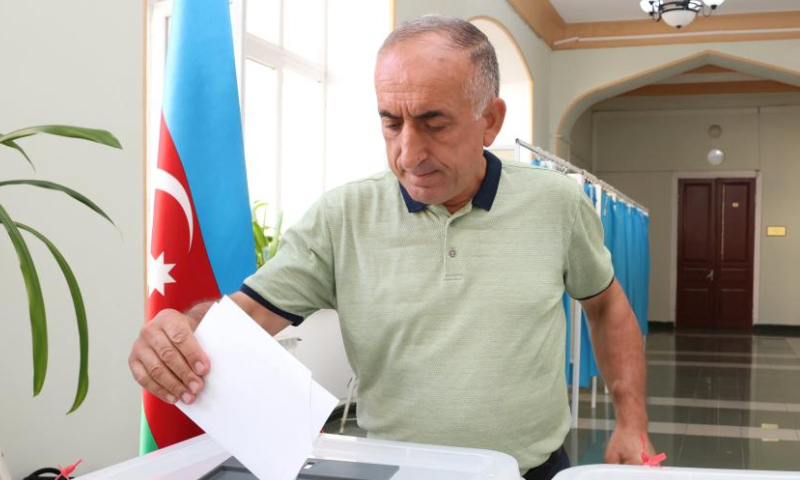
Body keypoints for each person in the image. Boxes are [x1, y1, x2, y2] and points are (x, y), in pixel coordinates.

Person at [129, 15, 654, 480]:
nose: (408, 153)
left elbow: (605, 305)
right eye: (391, 121)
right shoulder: (342, 218)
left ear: (490, 119)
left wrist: (631, 422)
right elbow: (242, 317)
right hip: (396, 470)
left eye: (433, 122)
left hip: (529, 470)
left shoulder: (556, 202)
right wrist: (182, 331)